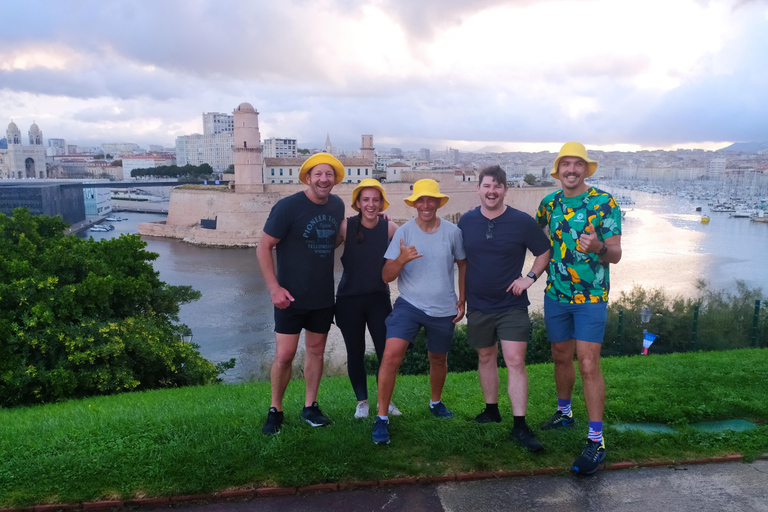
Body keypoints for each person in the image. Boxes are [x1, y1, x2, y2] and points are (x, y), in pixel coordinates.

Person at [536, 142, 622, 474]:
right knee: (560, 354)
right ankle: (564, 413)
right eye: (565, 164)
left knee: (588, 364)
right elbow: (537, 239)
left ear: (586, 169)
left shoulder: (604, 202)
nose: (571, 170)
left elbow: (615, 254)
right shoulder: (549, 203)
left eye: (578, 164)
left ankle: (596, 441)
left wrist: (598, 246)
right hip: (555, 294)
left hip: (590, 298)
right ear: (558, 170)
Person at [458, 165, 551, 452]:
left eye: (497, 187)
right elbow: (456, 259)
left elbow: (544, 250)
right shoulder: (466, 222)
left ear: (505, 190)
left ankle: (520, 425)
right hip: (478, 305)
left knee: (515, 361)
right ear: (478, 189)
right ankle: (491, 410)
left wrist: (530, 278)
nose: (492, 191)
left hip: (511, 305)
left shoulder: (521, 222)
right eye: (487, 186)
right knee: (486, 357)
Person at [257, 152, 345, 435]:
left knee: (316, 352)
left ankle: (310, 406)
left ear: (334, 180)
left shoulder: (337, 206)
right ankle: (275, 409)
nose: (323, 179)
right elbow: (263, 247)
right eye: (318, 174)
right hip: (289, 297)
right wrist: (274, 289)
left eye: (328, 174)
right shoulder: (288, 207)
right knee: (284, 355)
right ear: (308, 178)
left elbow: (334, 239)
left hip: (321, 296)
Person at [372, 179, 466, 445]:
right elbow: (386, 277)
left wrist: (463, 298)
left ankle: (435, 402)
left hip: (443, 307)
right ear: (414, 204)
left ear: (438, 203)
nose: (426, 205)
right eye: (420, 200)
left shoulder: (453, 232)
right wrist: (401, 260)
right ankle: (382, 418)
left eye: (431, 200)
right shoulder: (403, 233)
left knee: (438, 358)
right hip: (410, 304)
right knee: (391, 356)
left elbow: (462, 263)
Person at [335, 178, 402, 419]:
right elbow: (321, 250)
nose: (371, 205)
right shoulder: (345, 227)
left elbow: (407, 252)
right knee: (355, 351)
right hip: (348, 300)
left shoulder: (390, 228)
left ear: (382, 203)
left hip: (379, 299)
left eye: (376, 200)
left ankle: (387, 400)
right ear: (358, 203)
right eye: (366, 200)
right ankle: (362, 401)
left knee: (387, 352)